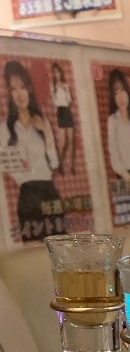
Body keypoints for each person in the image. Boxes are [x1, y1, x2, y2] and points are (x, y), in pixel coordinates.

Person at [0, 60, 62, 243]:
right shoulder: (4, 129)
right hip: (28, 195)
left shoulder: (42, 121)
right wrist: (27, 174)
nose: (19, 94)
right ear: (9, 93)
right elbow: (7, 166)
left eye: (22, 87)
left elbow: (55, 163)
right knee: (34, 251)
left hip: (50, 193)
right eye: (14, 89)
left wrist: (46, 132)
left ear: (29, 88)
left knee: (61, 249)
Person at [49, 62, 76, 177]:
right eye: (55, 72)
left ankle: (71, 165)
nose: (57, 74)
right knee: (63, 141)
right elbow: (55, 102)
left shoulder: (65, 85)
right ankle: (59, 164)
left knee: (71, 140)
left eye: (58, 72)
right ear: (53, 74)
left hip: (67, 110)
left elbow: (69, 100)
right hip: (60, 111)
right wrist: (58, 88)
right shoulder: (52, 86)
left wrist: (65, 90)